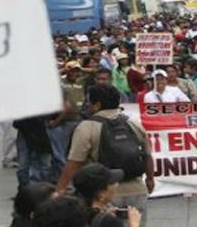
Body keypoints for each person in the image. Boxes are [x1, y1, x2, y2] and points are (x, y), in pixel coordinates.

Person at [57, 85, 154, 225]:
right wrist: (150, 179)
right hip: (137, 190)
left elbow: (74, 163)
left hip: (103, 193)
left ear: (97, 105)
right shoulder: (133, 123)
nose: (87, 106)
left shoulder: (87, 127)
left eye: (89, 102)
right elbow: (147, 155)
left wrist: (59, 191)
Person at [72, 163, 142, 227]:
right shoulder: (109, 223)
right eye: (111, 182)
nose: (116, 184)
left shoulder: (71, 214)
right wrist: (134, 224)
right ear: (101, 195)